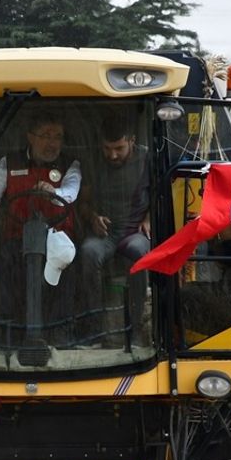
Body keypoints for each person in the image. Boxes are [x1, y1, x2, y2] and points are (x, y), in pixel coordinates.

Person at [0, 112, 82, 341]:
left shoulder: (71, 164)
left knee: (68, 272)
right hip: (17, 239)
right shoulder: (9, 163)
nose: (52, 143)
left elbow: (70, 192)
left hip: (57, 240)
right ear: (30, 137)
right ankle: (10, 333)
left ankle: (60, 335)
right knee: (6, 267)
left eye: (57, 136)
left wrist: (54, 193)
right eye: (46, 136)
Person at [76, 114, 150, 344]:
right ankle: (95, 325)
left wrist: (149, 219)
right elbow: (83, 203)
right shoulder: (94, 162)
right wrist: (93, 218)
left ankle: (136, 326)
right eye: (107, 148)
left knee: (140, 254)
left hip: (134, 231)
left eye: (119, 148)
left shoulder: (148, 159)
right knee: (88, 252)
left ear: (132, 140)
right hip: (105, 233)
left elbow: (164, 195)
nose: (112, 155)